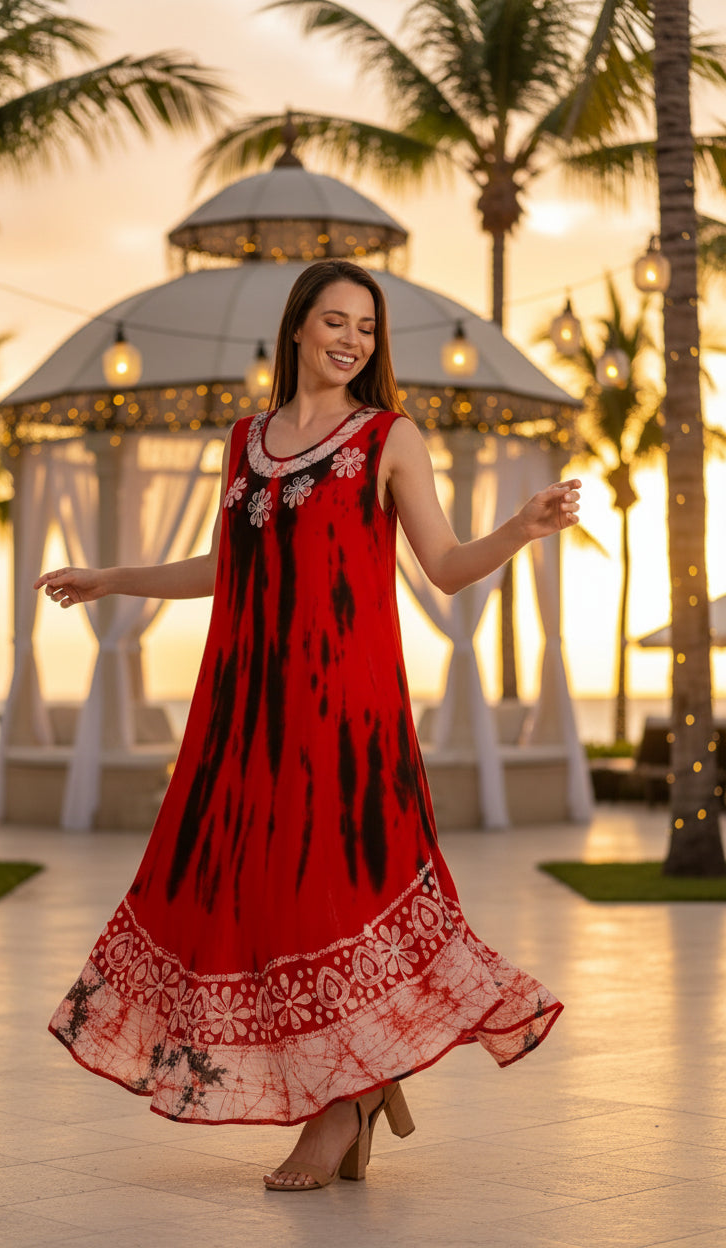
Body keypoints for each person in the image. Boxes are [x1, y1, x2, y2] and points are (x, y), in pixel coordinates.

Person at [36, 258, 579, 1193]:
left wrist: (520, 529)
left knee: (332, 892)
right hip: (249, 708)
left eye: (367, 328)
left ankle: (337, 1109)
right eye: (336, 322)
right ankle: (358, 1088)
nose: (352, 341)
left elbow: (445, 567)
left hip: (347, 710)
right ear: (297, 327)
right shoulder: (244, 440)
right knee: (256, 892)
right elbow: (226, 567)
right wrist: (111, 579)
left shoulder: (388, 437)